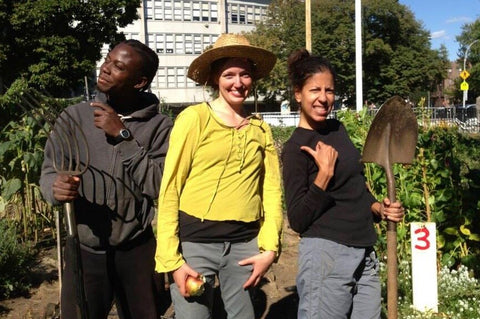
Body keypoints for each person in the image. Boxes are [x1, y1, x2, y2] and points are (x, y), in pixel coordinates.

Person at [40, 39, 173, 319]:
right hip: (85, 247)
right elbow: (50, 169)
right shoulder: (74, 117)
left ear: (139, 82)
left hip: (136, 249)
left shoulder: (160, 127)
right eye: (108, 60)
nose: (106, 68)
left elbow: (158, 184)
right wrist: (55, 187)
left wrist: (122, 136)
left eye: (118, 66)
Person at [154, 33, 283, 319]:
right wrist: (172, 260)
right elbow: (170, 188)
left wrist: (270, 249)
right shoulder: (194, 119)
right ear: (215, 78)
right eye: (229, 74)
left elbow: (272, 192)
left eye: (245, 75)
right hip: (196, 245)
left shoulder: (260, 129)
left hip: (244, 246)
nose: (238, 83)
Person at [281, 49, 405, 319]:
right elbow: (298, 220)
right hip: (327, 255)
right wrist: (322, 177)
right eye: (315, 90)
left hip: (364, 252)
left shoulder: (337, 129)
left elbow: (355, 186)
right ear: (298, 94)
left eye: (329, 90)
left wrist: (377, 208)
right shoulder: (294, 148)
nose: (323, 98)